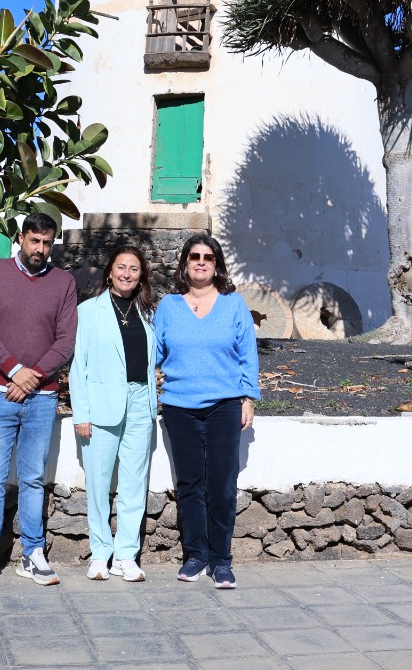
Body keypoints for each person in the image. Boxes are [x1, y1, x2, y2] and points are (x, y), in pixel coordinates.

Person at [0, 212, 78, 589]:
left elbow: (65, 341)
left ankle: (33, 554)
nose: (40, 249)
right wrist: (15, 371)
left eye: (47, 243)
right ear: (21, 237)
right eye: (35, 240)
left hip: (41, 397)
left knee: (32, 479)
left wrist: (31, 377)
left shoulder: (63, 283)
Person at [154, 233, 257, 590]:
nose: (201, 261)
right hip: (180, 407)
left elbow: (248, 355)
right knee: (190, 485)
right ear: (185, 263)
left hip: (224, 406)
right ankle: (195, 555)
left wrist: (249, 398)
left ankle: (221, 560)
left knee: (223, 486)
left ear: (217, 265)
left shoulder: (233, 305)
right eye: (195, 256)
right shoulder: (168, 306)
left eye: (208, 257)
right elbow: (154, 353)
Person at [71, 244, 157, 582]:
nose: (126, 274)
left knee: (135, 484)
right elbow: (79, 366)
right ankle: (99, 554)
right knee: (99, 483)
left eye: (134, 269)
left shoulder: (146, 313)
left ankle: (125, 555)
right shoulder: (88, 311)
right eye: (121, 267)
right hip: (101, 404)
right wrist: (81, 413)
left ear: (141, 277)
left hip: (139, 403)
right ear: (110, 272)